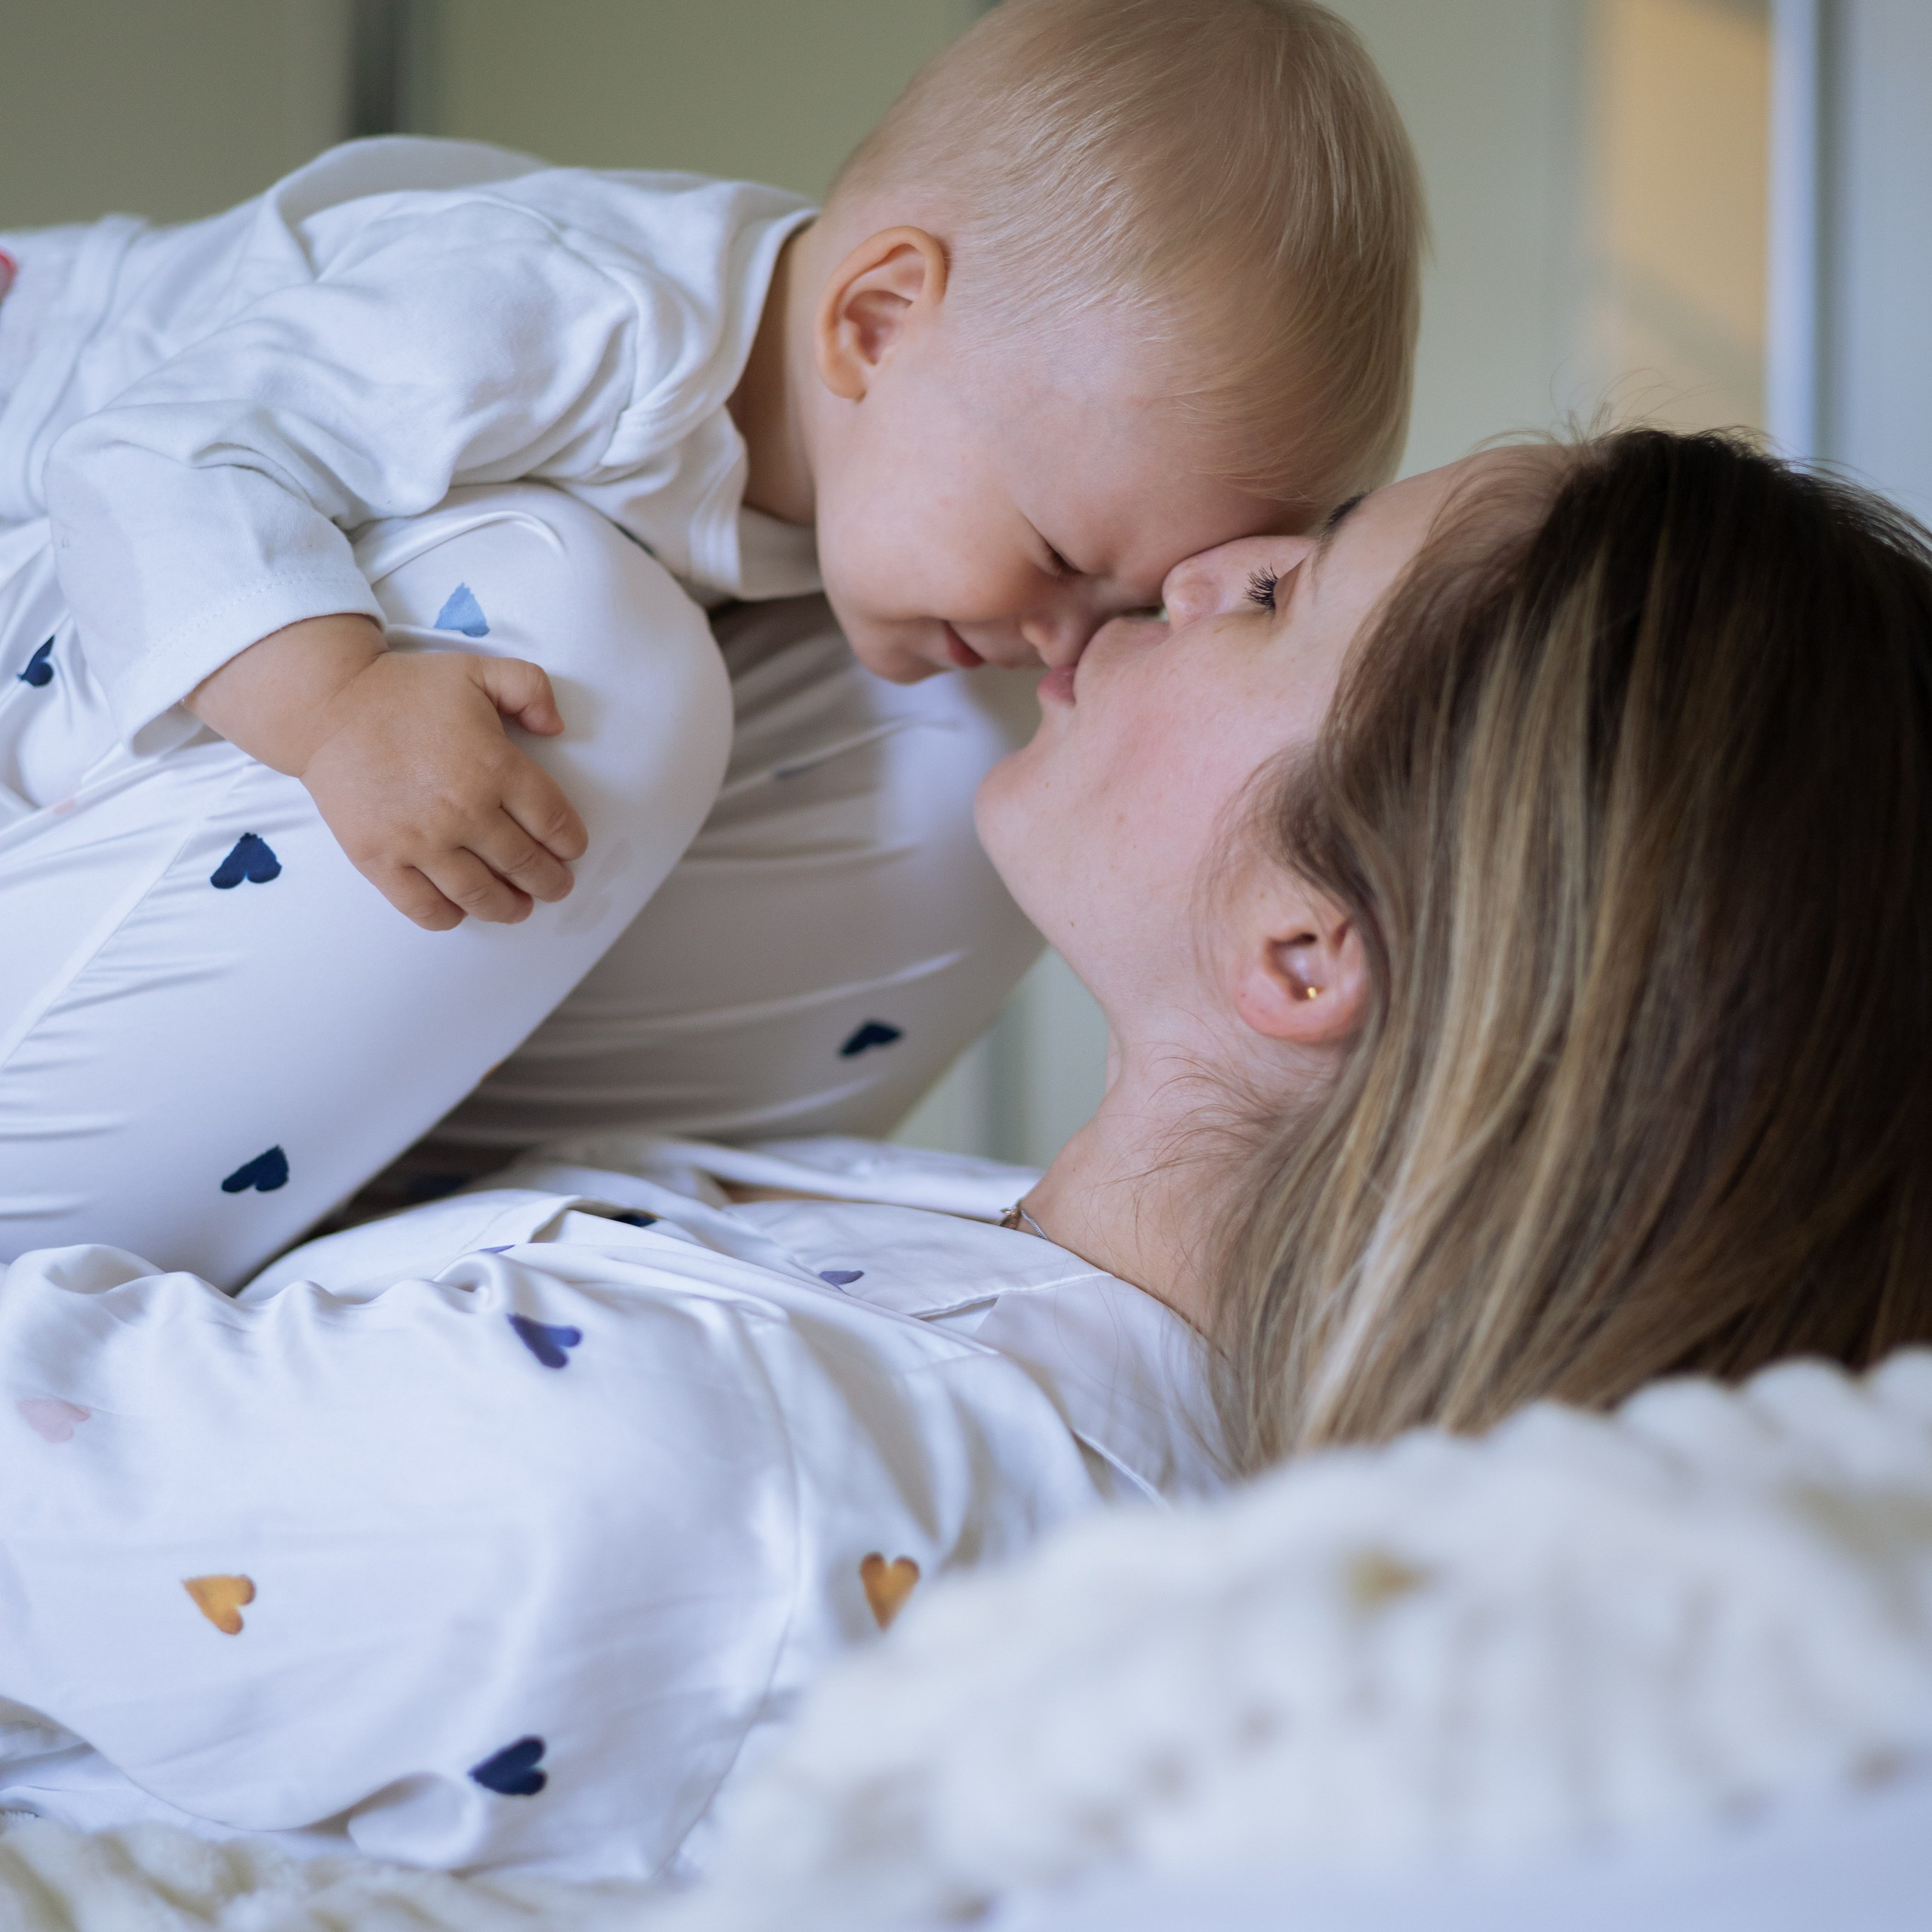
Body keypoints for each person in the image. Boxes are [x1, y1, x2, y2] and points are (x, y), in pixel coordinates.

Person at [5, 426, 1929, 1880]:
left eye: (1282, 599)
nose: (1203, 560)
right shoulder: (986, 1302)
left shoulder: (714, 1494)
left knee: (555, 618)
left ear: (1303, 949)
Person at [0, 0, 1424, 1285]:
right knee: (583, 640)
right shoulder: (571, 314)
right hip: (53, 493)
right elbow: (148, 463)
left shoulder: (852, 481)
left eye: (1123, 607)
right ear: (877, 321)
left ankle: (422, 1194)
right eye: (1056, 558)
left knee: (947, 733)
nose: (1064, 643)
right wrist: (336, 702)